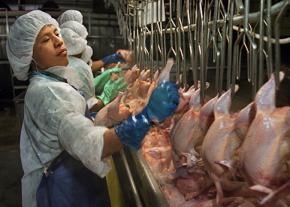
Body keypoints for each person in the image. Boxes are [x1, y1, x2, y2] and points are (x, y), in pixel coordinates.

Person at [6, 10, 179, 207]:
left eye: (56, 33)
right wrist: (147, 117)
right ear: (29, 55)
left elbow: (73, 124)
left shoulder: (53, 80)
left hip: (68, 181)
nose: (58, 41)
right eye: (46, 39)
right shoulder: (48, 94)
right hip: (58, 192)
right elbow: (92, 144)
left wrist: (107, 116)